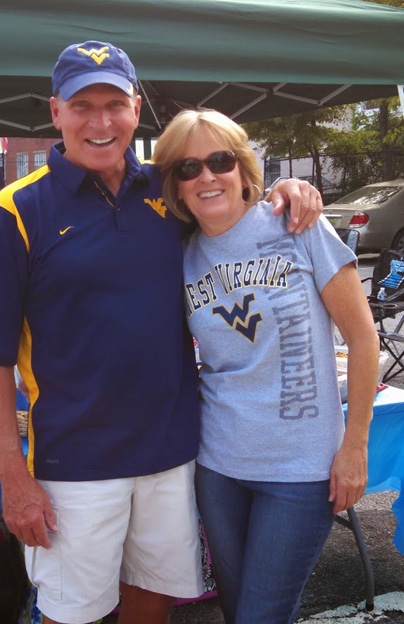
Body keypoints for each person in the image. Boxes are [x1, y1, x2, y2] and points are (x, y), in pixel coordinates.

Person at [0, 40, 323, 624]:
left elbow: (233, 204)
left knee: (151, 604)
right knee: (71, 615)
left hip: (172, 455)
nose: (100, 123)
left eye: (114, 105)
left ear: (136, 107)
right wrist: (12, 478)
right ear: (55, 111)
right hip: (73, 466)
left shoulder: (170, 186)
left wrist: (288, 191)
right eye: (83, 106)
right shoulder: (13, 212)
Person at [152, 108, 381, 624]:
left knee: (262, 614)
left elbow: (365, 340)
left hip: (300, 470)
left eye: (220, 160)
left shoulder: (298, 223)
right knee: (239, 610)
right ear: (177, 186)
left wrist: (355, 445)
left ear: (243, 168)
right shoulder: (181, 255)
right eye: (189, 168)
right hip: (218, 465)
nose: (207, 176)